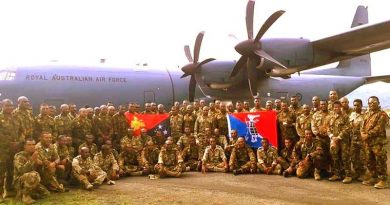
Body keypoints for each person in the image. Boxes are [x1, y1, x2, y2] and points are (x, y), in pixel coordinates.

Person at [361, 96, 388, 189]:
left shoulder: (382, 114)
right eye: (370, 103)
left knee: (380, 160)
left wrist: (367, 134)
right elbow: (362, 125)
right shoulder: (367, 114)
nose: (372, 104)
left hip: (378, 143)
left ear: (378, 103)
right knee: (369, 160)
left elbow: (379, 128)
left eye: (374, 102)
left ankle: (383, 180)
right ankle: (374, 177)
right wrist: (362, 133)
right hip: (368, 142)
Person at [13, 138, 50, 204]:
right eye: (29, 144)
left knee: (46, 194)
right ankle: (25, 196)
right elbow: (22, 171)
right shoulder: (19, 156)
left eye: (33, 144)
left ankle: (22, 193)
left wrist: (43, 163)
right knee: (33, 174)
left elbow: (45, 165)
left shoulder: (37, 154)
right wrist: (32, 160)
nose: (32, 146)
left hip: (33, 180)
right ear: (24, 146)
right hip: (20, 181)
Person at [327, 101, 352, 183]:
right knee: (335, 157)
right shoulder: (331, 117)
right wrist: (331, 136)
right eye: (334, 107)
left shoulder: (345, 116)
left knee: (345, 157)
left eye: (338, 107)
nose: (336, 108)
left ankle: (348, 175)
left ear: (341, 107)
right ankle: (337, 174)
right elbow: (328, 128)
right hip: (334, 141)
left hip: (343, 141)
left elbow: (347, 128)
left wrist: (339, 137)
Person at [0, 99, 21, 197]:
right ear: (2, 105)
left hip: (15, 148)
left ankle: (10, 189)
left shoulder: (16, 117)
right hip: (2, 149)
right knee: (1, 170)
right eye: (7, 105)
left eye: (11, 105)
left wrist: (18, 142)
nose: (9, 107)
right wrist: (9, 143)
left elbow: (22, 131)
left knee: (12, 169)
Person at [349, 99, 366, 181]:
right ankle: (357, 172)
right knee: (353, 156)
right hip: (353, 139)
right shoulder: (352, 114)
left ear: (361, 106)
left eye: (358, 105)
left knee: (362, 157)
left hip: (362, 139)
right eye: (354, 105)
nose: (356, 107)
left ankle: (363, 173)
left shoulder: (365, 115)